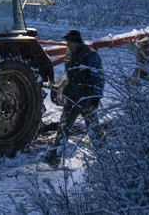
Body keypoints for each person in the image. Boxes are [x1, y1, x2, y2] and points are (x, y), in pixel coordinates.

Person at [44, 29, 105, 165]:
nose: (68, 45)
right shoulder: (69, 54)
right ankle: (54, 158)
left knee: (94, 129)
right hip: (72, 97)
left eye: (70, 42)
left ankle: (104, 157)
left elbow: (99, 77)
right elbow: (72, 75)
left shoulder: (91, 55)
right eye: (67, 42)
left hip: (87, 98)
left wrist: (96, 97)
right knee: (63, 127)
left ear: (76, 42)